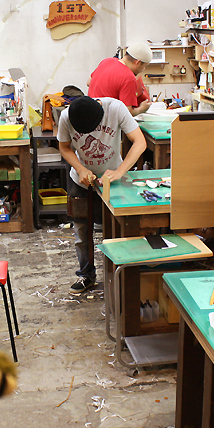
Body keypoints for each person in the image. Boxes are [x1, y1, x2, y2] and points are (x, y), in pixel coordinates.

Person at [57, 96, 146, 293]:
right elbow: (64, 147)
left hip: (113, 179)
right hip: (81, 182)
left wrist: (120, 171)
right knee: (82, 232)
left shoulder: (116, 108)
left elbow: (140, 142)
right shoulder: (66, 116)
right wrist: (80, 169)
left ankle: (118, 276)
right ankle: (86, 275)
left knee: (115, 231)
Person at [87, 42, 153, 116]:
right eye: (144, 66)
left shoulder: (107, 61)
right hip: (106, 119)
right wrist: (141, 109)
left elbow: (89, 82)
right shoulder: (129, 77)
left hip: (90, 114)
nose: (143, 69)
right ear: (137, 62)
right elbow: (127, 113)